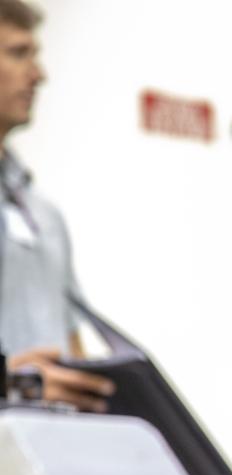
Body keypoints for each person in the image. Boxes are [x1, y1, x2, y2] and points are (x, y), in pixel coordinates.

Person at [0, 0, 114, 411]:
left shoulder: (45, 215)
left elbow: (70, 344)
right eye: (18, 53)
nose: (39, 75)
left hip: (49, 456)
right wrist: (11, 384)